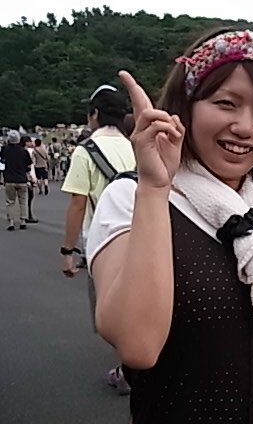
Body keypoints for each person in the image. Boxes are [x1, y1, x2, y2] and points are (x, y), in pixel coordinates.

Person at [85, 29, 253, 423]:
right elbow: (138, 346)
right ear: (186, 105)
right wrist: (154, 188)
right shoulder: (131, 198)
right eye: (226, 103)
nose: (245, 127)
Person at [60, 84, 136, 395]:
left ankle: (129, 370)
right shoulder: (136, 146)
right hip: (145, 238)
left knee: (110, 311)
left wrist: (67, 251)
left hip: (103, 244)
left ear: (94, 114)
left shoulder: (85, 150)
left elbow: (78, 203)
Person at [1, 130, 33, 230]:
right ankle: (23, 221)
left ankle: (11, 222)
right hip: (22, 179)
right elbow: (28, 165)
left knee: (10, 201)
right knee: (23, 201)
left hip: (9, 179)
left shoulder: (4, 150)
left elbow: (2, 163)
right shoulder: (23, 151)